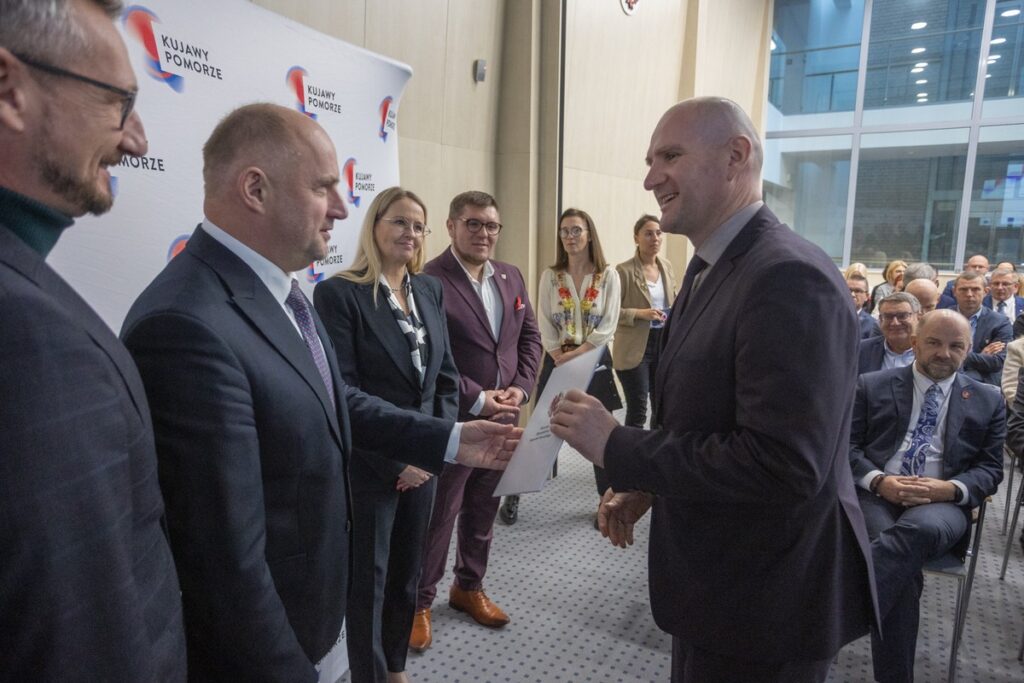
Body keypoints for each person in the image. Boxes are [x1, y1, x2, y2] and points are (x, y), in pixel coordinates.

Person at [120, 104, 518, 681]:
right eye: (323, 187)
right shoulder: (185, 325)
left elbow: (337, 402)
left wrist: (450, 437)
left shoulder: (279, 292)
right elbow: (222, 560)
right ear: (255, 189)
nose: (341, 207)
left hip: (317, 608)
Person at [549, 97, 875, 682]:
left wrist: (618, 445)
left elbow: (783, 464)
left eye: (670, 156)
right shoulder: (710, 268)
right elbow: (708, 420)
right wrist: (652, 486)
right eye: (650, 161)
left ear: (736, 156)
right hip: (718, 591)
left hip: (766, 604)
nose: (651, 178)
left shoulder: (788, 276)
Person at [0, 1, 187, 680]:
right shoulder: (30, 339)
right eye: (118, 103)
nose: (137, 140)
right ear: (9, 89)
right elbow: (77, 638)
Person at [312, 188, 458, 683]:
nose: (409, 233)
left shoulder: (429, 290)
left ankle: (395, 670)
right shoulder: (340, 294)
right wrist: (400, 460)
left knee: (406, 577)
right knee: (369, 587)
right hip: (373, 469)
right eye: (399, 222)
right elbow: (342, 392)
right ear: (374, 226)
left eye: (418, 226)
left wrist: (430, 451)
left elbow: (446, 379)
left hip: (424, 467)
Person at [411, 190, 542, 651]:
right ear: (451, 226)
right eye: (473, 223)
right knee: (440, 515)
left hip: (505, 416)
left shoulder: (510, 275)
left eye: (491, 225)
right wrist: (479, 398)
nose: (483, 233)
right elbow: (432, 357)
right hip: (457, 423)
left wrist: (520, 390)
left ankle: (468, 586)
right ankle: (419, 602)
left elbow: (530, 339)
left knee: (484, 508)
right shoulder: (428, 281)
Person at [849, 310, 1004, 683]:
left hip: (942, 504)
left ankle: (835, 614)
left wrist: (949, 489)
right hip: (876, 495)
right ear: (916, 342)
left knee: (915, 534)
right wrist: (879, 481)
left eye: (955, 346)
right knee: (901, 576)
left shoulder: (988, 398)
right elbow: (846, 449)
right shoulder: (871, 385)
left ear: (968, 350)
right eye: (934, 342)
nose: (943, 354)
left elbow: (990, 469)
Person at [506, 207, 622, 524]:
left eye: (576, 230)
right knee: (542, 429)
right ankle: (513, 495)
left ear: (589, 234)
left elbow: (608, 325)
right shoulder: (551, 276)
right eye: (564, 231)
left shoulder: (608, 275)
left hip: (595, 360)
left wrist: (579, 353)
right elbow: (543, 321)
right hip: (557, 359)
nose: (570, 237)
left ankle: (607, 502)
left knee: (603, 433)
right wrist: (559, 354)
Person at [613, 214, 676, 428]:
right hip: (634, 347)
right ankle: (630, 450)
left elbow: (673, 299)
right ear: (636, 238)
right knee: (638, 409)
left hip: (662, 343)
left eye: (658, 233)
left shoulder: (666, 266)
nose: (655, 238)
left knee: (662, 407)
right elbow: (611, 313)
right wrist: (641, 314)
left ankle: (655, 449)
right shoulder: (623, 271)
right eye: (648, 234)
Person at [952, 269, 1012, 386]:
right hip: (947, 378)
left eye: (975, 289)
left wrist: (958, 355)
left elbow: (998, 362)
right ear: (954, 291)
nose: (969, 294)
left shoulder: (1000, 322)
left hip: (984, 383)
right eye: (963, 289)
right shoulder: (941, 318)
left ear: (986, 291)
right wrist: (980, 356)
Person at [858, 293, 920, 375]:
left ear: (918, 317)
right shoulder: (860, 351)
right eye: (888, 317)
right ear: (880, 320)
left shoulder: (929, 351)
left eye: (902, 316)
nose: (895, 323)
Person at [848, 272, 881, 339]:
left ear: (867, 296)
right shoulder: (831, 319)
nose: (852, 294)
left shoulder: (872, 324)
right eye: (849, 290)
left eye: (857, 291)